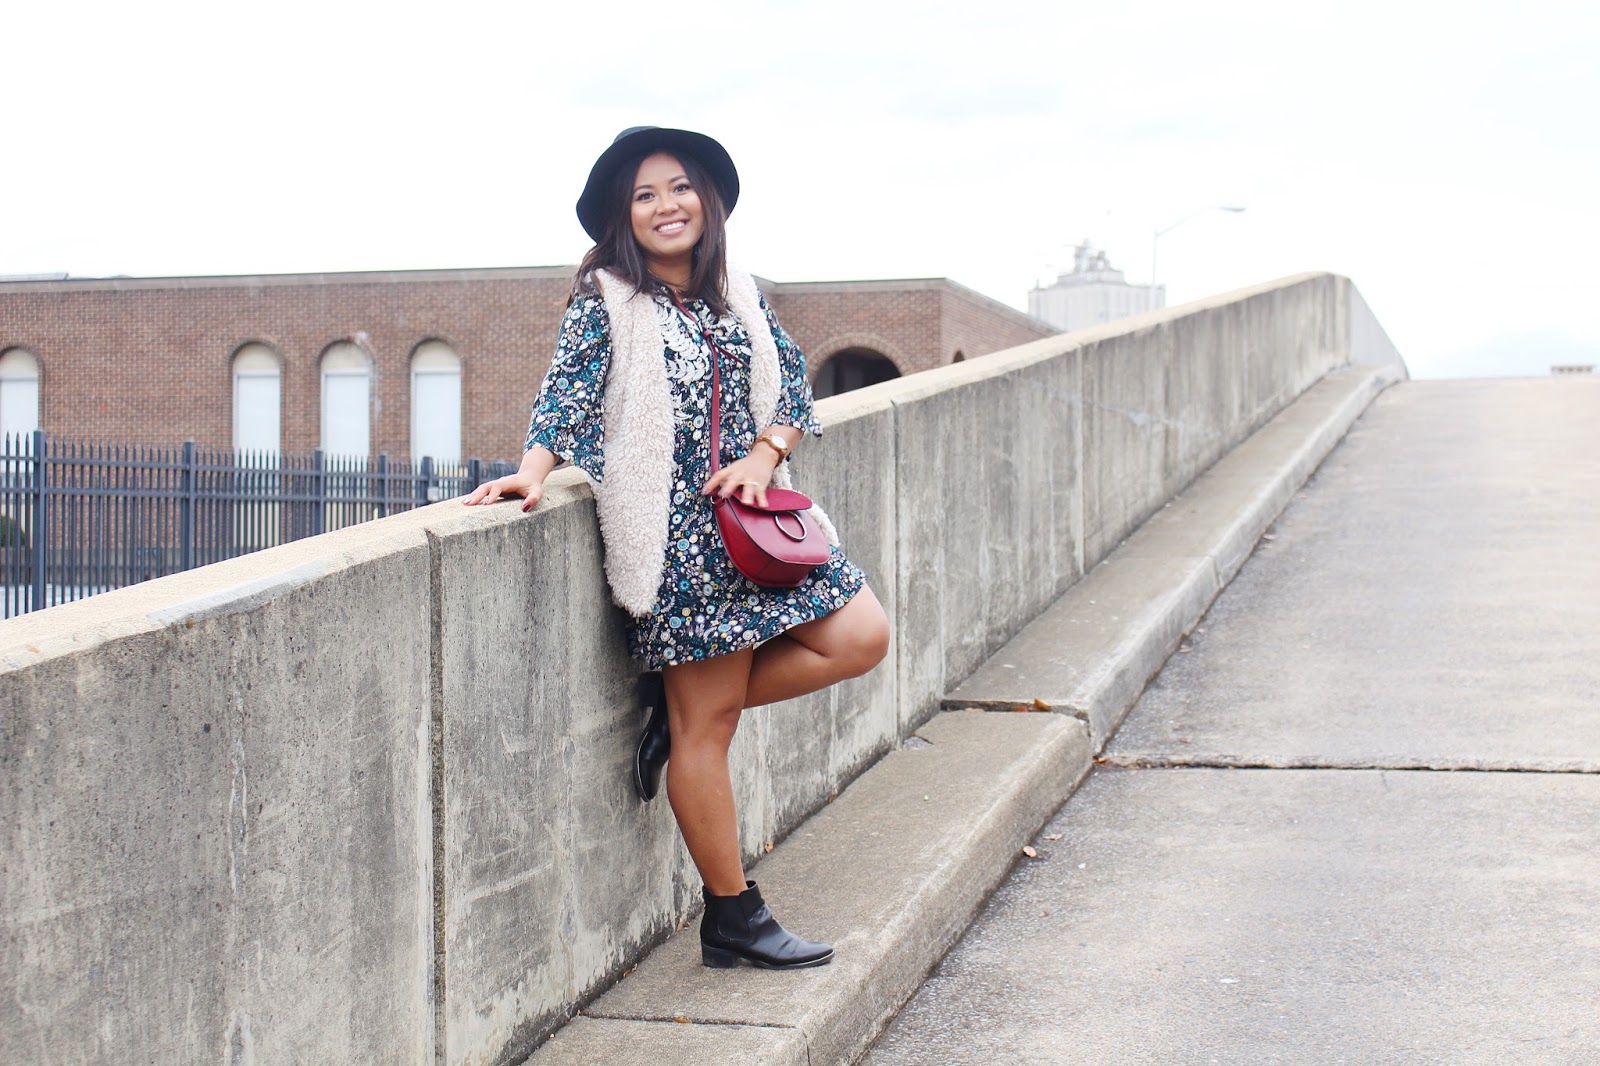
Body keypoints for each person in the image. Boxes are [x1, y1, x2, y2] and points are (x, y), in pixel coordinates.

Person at [465, 126, 890, 970]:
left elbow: (793, 385)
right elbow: (567, 396)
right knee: (711, 730)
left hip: (757, 524)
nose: (667, 206)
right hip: (677, 546)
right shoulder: (606, 299)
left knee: (862, 636)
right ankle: (732, 915)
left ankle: (677, 706)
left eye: (680, 187)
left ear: (708, 199)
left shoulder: (738, 291)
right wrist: (531, 472)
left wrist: (765, 455)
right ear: (623, 216)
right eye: (645, 195)